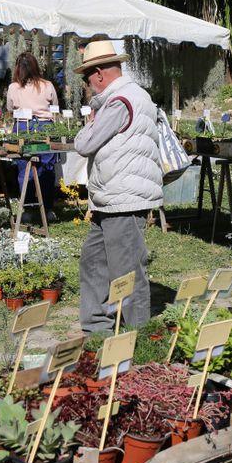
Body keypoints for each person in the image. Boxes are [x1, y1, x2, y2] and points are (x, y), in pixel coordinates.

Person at [73, 41, 162, 333]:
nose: (88, 86)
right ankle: (97, 328)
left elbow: (85, 143)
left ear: (99, 74)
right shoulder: (134, 95)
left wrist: (90, 121)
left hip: (122, 197)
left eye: (87, 79)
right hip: (115, 197)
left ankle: (138, 338)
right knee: (94, 261)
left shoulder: (119, 102)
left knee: (126, 272)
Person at [6, 52, 60, 222]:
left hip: (23, 127)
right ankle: (48, 209)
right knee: (47, 168)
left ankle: (27, 209)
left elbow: (9, 108)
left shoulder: (14, 87)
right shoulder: (47, 85)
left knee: (25, 167)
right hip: (44, 128)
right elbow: (55, 107)